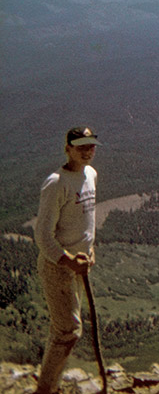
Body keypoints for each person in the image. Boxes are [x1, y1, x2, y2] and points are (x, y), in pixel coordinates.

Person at [33, 127, 100, 394]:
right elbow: (43, 235)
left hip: (80, 265)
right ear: (67, 148)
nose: (87, 151)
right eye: (80, 146)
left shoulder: (91, 174)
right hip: (58, 267)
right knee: (67, 331)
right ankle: (46, 389)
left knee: (66, 329)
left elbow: (86, 220)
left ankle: (51, 385)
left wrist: (90, 251)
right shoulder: (56, 182)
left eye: (91, 146)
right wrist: (68, 260)